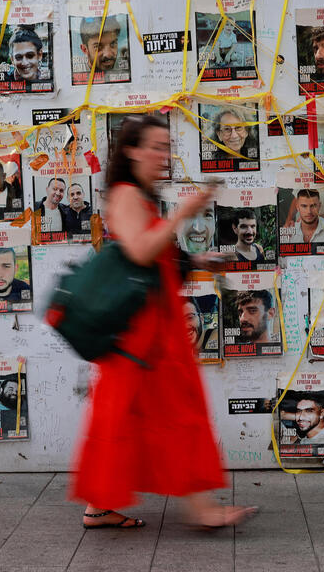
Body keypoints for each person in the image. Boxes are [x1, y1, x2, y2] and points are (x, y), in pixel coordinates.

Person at [70, 115, 254, 529]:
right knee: (175, 413)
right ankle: (202, 509)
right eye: (154, 146)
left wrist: (195, 260)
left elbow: (153, 258)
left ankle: (99, 505)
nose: (162, 155)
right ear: (132, 151)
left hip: (151, 327)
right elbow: (139, 250)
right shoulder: (125, 194)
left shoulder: (138, 195)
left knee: (127, 416)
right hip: (144, 334)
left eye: (166, 147)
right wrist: (183, 213)